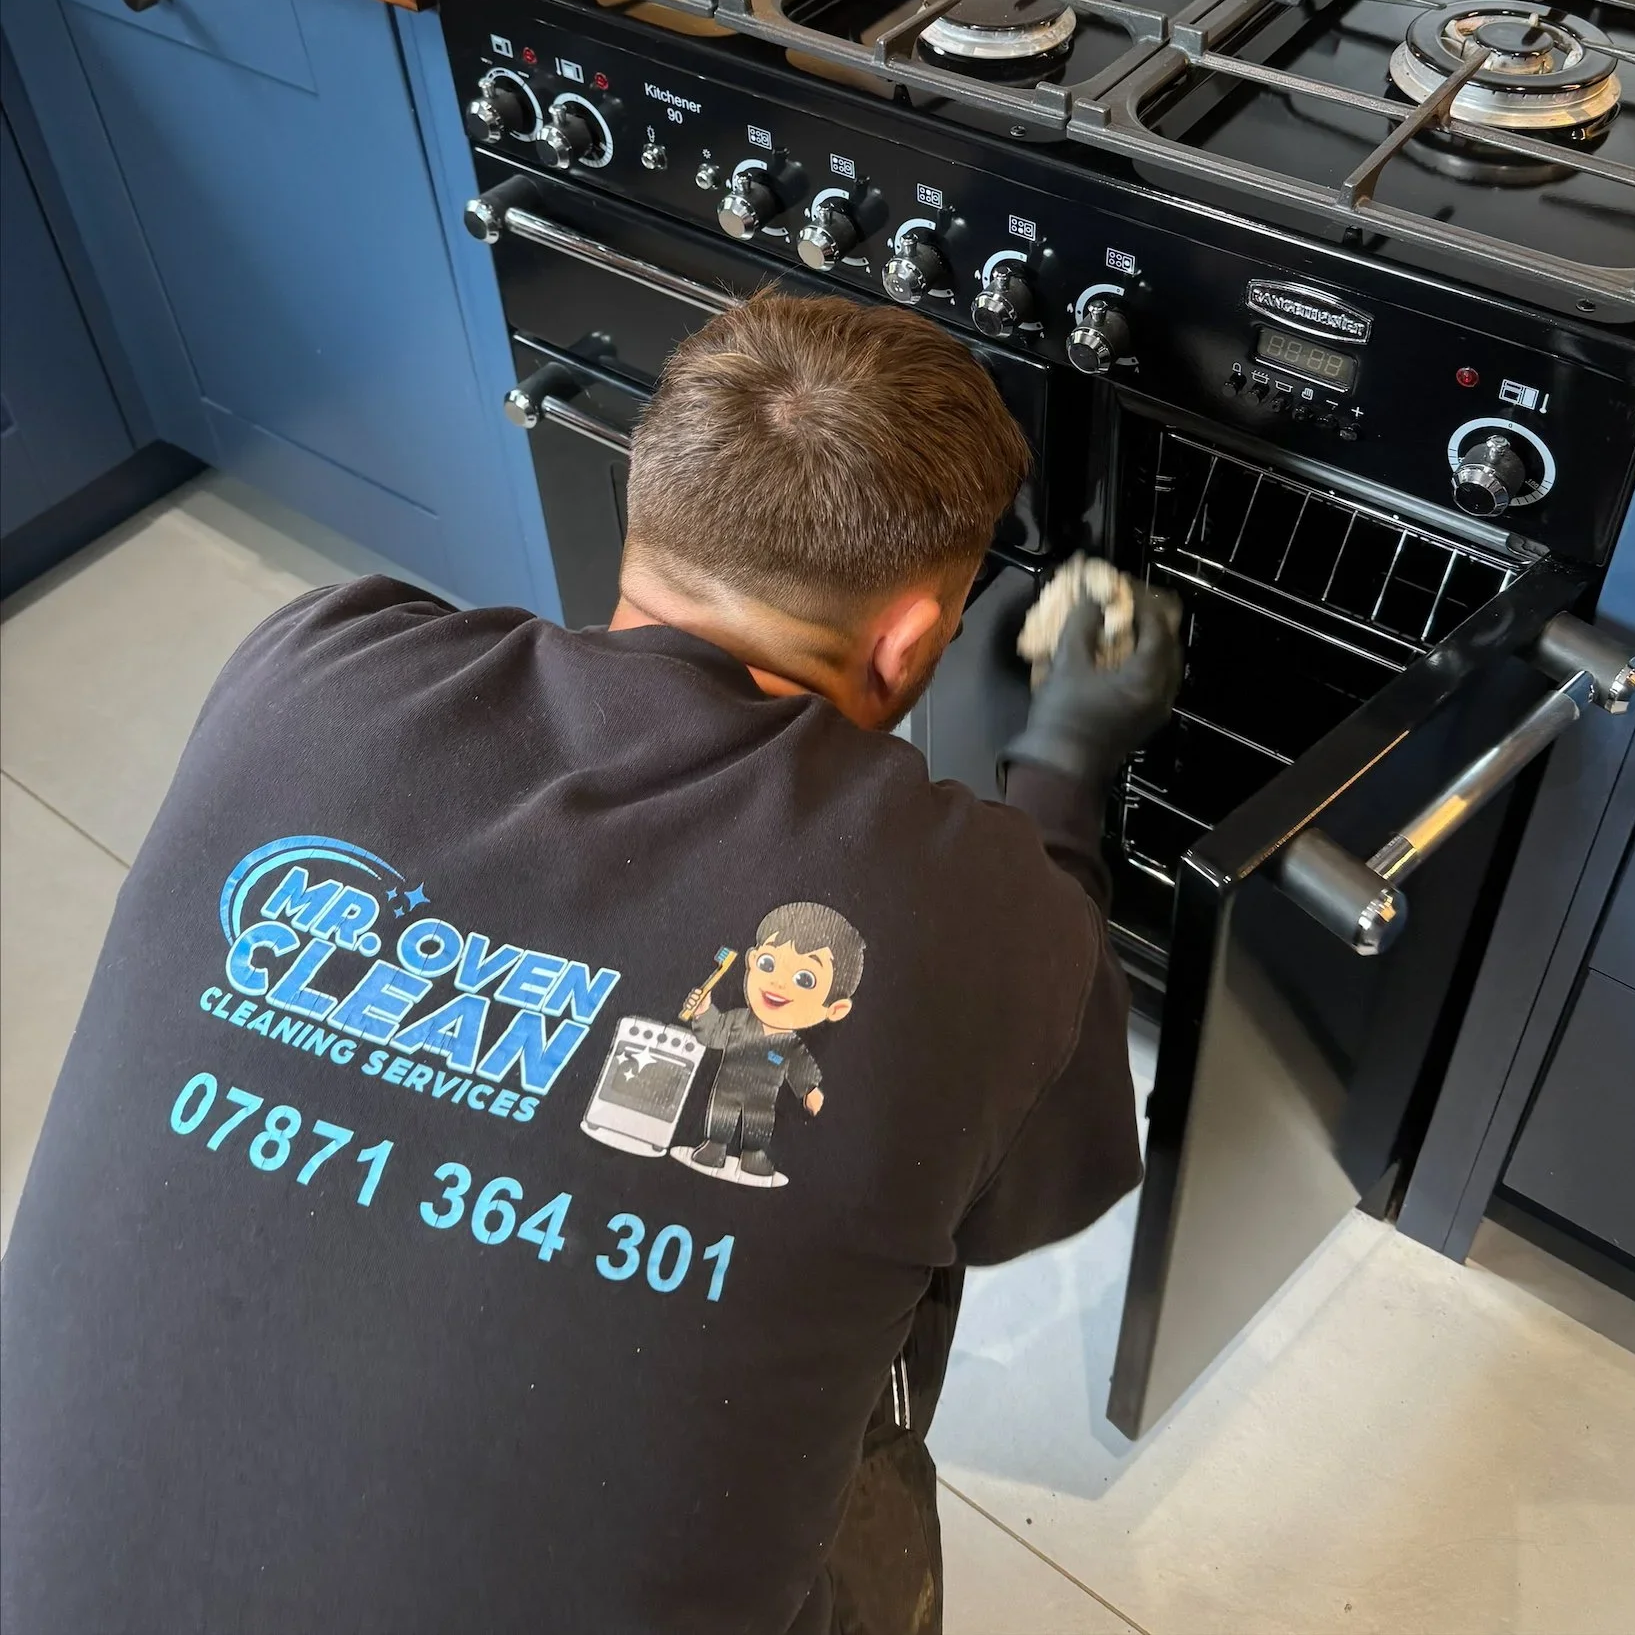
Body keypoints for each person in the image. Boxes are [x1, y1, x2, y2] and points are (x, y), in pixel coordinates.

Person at [1, 295, 1181, 1635]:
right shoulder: (976, 913)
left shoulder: (314, 661)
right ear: (912, 641)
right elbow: (1021, 1199)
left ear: (643, 509)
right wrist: (1065, 769)